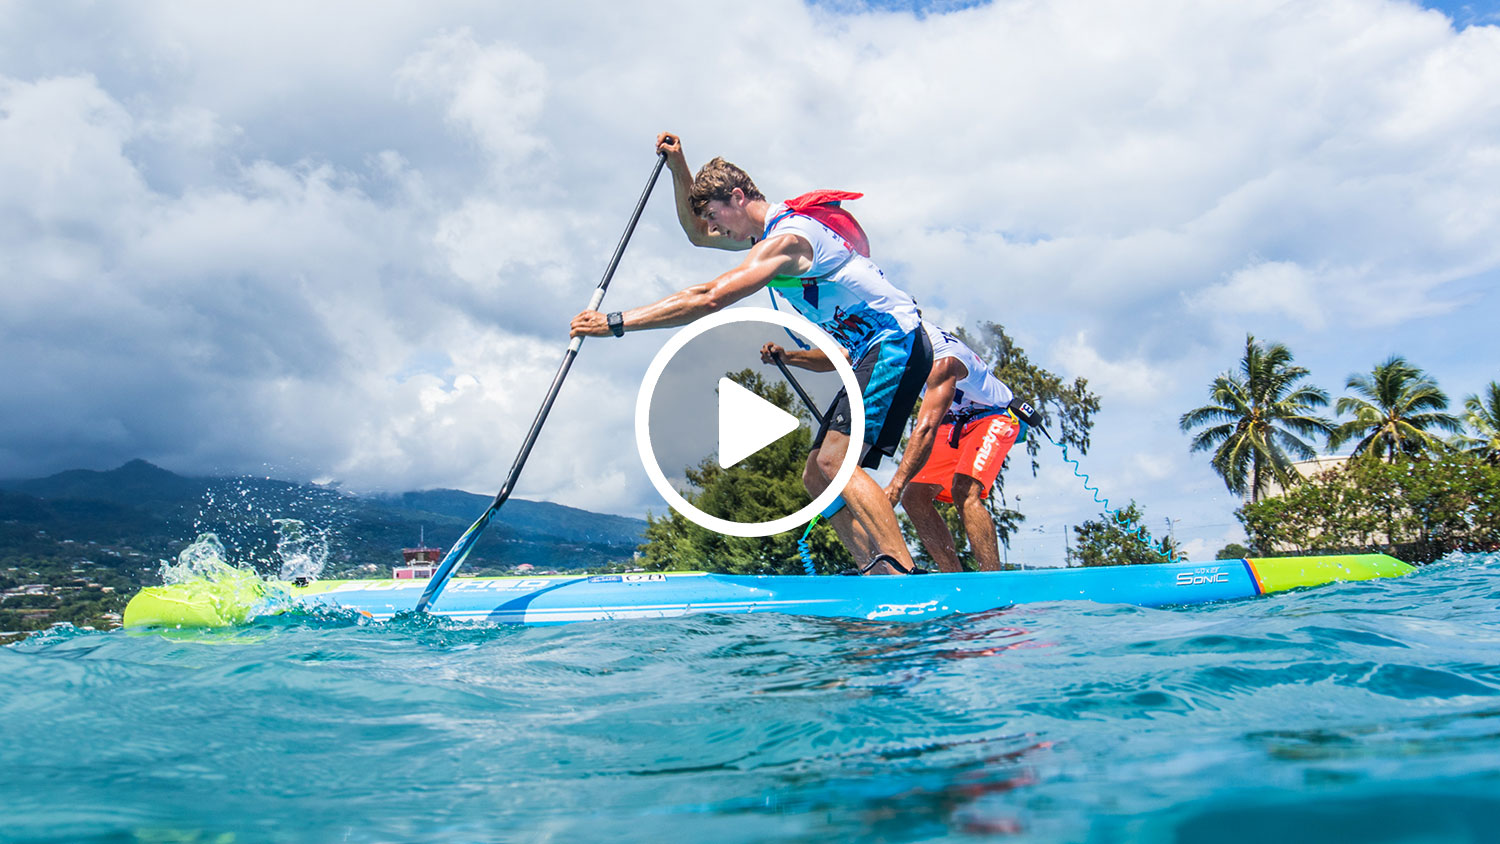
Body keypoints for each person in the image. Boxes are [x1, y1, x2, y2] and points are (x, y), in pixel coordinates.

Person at [570, 132, 932, 575]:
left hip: (893, 339)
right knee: (817, 475)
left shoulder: (788, 240)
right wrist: (679, 168)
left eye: (716, 214)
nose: (715, 228)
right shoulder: (763, 237)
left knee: (835, 461)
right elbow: (697, 235)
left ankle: (905, 576)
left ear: (737, 197)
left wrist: (616, 322)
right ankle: (879, 574)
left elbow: (709, 297)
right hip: (871, 351)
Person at [763, 322, 1021, 572]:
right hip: (953, 422)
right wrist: (789, 357)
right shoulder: (892, 337)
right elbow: (840, 357)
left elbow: (926, 429)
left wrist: (896, 485)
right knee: (914, 498)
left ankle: (991, 577)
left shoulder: (942, 360)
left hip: (993, 415)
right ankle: (952, 577)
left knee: (964, 491)